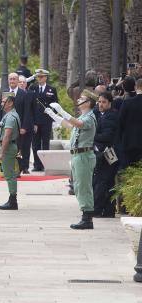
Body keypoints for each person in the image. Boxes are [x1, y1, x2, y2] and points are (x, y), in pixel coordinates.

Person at [45, 93, 98, 229]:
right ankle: (85, 216)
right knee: (79, 186)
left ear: (89, 102)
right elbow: (70, 125)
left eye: (82, 98)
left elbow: (78, 124)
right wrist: (53, 115)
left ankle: (87, 218)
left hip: (84, 155)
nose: (79, 100)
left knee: (84, 187)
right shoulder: (82, 116)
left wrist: (62, 111)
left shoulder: (90, 117)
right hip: (77, 155)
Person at [93, 91, 121, 218]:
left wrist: (92, 136)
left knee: (103, 181)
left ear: (110, 103)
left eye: (103, 102)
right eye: (99, 101)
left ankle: (99, 209)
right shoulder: (100, 114)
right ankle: (107, 210)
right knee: (106, 182)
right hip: (104, 152)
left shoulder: (111, 116)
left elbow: (107, 136)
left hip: (109, 153)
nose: (100, 104)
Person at [30, 69, 58, 171]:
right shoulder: (32, 88)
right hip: (36, 121)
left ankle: (45, 165)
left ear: (46, 77)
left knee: (45, 143)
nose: (39, 78)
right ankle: (37, 165)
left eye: (41, 77)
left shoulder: (51, 89)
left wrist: (53, 117)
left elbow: (56, 105)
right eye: (38, 77)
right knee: (35, 144)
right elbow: (30, 105)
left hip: (46, 121)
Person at [0, 93, 21, 210]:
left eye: (3, 102)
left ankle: (12, 201)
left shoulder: (10, 117)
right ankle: (12, 199)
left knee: (9, 175)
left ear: (10, 103)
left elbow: (7, 136)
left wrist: (1, 152)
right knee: (9, 174)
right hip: (10, 147)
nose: (2, 104)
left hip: (8, 148)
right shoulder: (10, 115)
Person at [119, 78, 142, 168]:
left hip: (129, 142)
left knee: (128, 170)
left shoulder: (127, 103)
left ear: (136, 87)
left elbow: (120, 123)